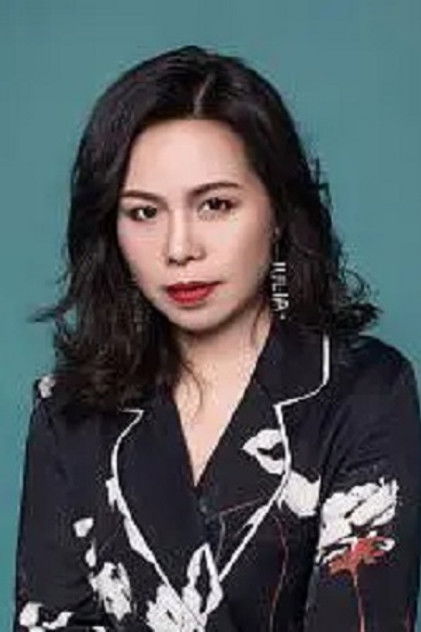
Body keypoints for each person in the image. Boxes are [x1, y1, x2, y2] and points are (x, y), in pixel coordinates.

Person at [13, 44, 421, 631]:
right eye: (144, 213)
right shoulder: (68, 412)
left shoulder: (362, 391)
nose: (180, 248)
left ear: (277, 212)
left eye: (215, 205)